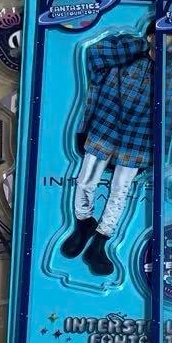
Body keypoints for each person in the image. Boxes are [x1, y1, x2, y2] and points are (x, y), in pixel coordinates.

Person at [60, 23, 156, 277]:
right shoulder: (125, 57)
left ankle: (101, 241)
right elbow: (95, 53)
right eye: (157, 37)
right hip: (106, 124)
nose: (163, 43)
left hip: (140, 137)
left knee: (120, 190)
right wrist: (140, 44)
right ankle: (83, 222)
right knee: (86, 178)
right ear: (149, 37)